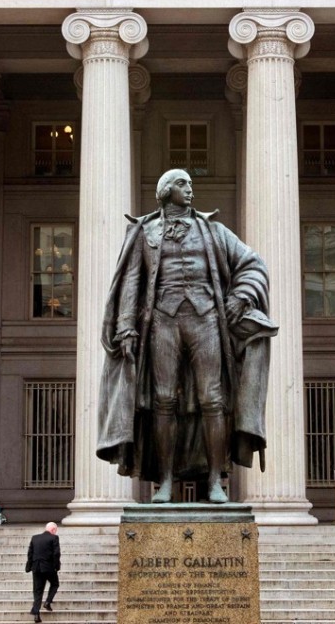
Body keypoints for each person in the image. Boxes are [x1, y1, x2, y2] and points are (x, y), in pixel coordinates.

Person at [96, 168, 277, 503]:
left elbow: (253, 264)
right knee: (163, 400)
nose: (190, 189)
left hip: (207, 319)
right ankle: (164, 481)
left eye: (191, 184)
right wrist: (125, 325)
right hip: (162, 321)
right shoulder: (144, 232)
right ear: (166, 191)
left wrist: (240, 295)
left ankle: (214, 481)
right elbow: (132, 281)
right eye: (183, 184)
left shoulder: (214, 231)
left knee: (213, 400)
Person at [26, 522, 60, 621]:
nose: (55, 532)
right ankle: (48, 602)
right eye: (55, 530)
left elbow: (30, 554)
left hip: (36, 568)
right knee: (55, 584)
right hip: (48, 567)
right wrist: (56, 567)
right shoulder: (54, 538)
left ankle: (36, 614)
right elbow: (56, 554)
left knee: (37, 591)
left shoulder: (35, 538)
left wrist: (29, 566)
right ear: (53, 530)